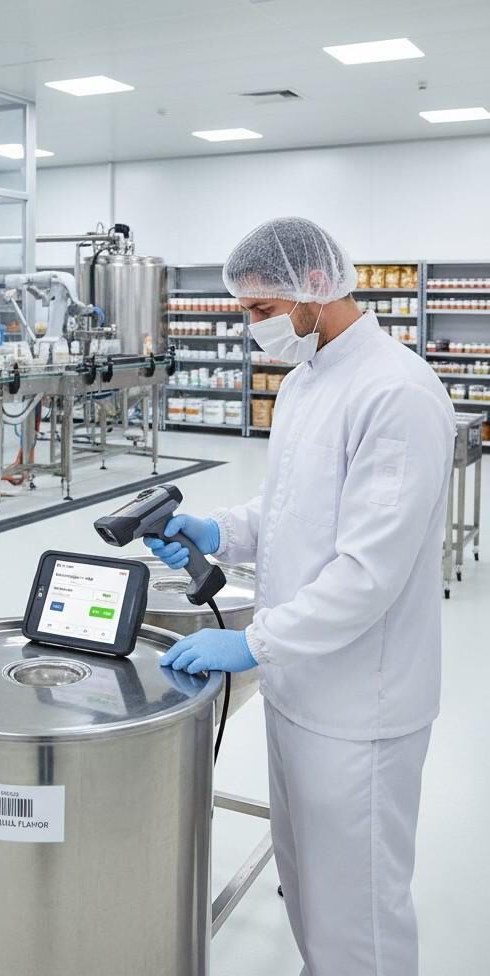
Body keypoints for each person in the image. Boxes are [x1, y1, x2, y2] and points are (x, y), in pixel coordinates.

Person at [148, 217, 455, 976]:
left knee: (358, 919)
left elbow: (367, 574)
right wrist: (215, 530)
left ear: (315, 289)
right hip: (300, 685)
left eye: (260, 311)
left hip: (362, 705)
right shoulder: (308, 380)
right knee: (312, 893)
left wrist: (252, 642)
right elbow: (286, 510)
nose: (254, 330)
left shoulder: (398, 392)